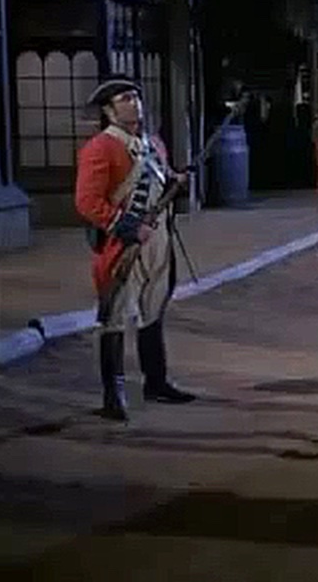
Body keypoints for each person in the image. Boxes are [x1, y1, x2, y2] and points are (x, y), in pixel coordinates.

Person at [75, 76, 197, 422]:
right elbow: (87, 202)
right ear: (109, 110)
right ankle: (113, 395)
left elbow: (160, 179)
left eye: (135, 97)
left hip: (158, 239)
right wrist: (128, 227)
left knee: (153, 309)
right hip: (123, 244)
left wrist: (176, 180)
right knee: (114, 317)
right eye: (125, 99)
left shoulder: (152, 144)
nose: (134, 104)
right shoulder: (100, 147)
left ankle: (156, 382)